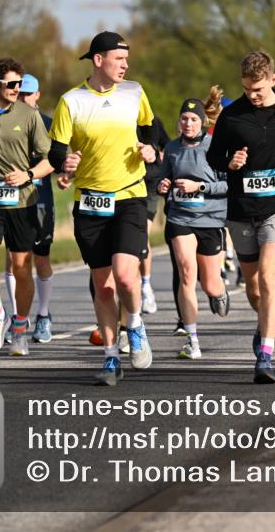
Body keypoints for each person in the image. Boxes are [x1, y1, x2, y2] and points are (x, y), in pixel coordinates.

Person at [48, 31, 158, 386]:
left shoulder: (134, 92)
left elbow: (151, 130)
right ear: (99, 60)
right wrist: (66, 163)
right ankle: (111, 356)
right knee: (104, 286)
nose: (125, 65)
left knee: (126, 276)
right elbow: (56, 153)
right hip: (91, 201)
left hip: (129, 194)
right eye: (119, 59)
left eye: (127, 60)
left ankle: (136, 324)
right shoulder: (71, 102)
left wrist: (151, 150)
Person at [206, 51, 275, 384]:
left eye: (259, 90)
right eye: (248, 89)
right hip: (241, 210)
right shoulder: (232, 115)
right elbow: (214, 157)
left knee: (269, 278)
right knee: (253, 286)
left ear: (273, 81)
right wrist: (231, 164)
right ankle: (265, 320)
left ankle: (265, 355)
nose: (254, 96)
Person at [0, 58, 53, 357]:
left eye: (20, 84)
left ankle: (19, 328)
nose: (18, 88)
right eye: (12, 84)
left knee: (21, 267)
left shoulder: (29, 115)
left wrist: (28, 174)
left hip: (22, 201)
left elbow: (48, 160)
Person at [158, 94, 230, 360]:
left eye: (193, 119)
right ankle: (192, 339)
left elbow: (228, 184)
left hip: (211, 220)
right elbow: (163, 178)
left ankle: (219, 292)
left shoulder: (216, 147)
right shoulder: (173, 148)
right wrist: (162, 186)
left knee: (210, 284)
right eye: (184, 119)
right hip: (180, 218)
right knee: (187, 273)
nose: (188, 124)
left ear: (203, 121)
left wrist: (199, 187)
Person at [140, 114, 171, 315]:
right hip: (120, 185)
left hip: (148, 184)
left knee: (141, 236)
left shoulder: (151, 121)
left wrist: (158, 153)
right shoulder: (110, 118)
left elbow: (167, 146)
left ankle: (145, 286)